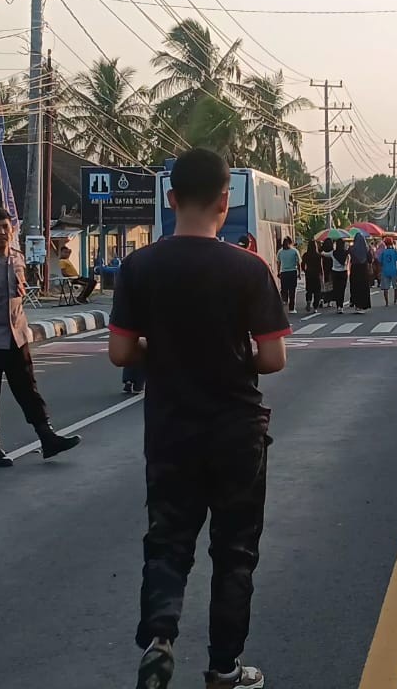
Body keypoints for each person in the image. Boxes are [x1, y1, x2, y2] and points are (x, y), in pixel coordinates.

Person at [108, 148, 289, 689]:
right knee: (235, 552)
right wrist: (231, 355)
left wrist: (160, 350)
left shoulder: (139, 267)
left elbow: (120, 353)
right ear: (224, 202)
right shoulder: (249, 269)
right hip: (237, 433)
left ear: (171, 198)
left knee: (168, 541)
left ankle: (160, 636)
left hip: (170, 430)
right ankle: (224, 669)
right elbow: (273, 358)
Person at [0, 208, 81, 468]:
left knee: (28, 390)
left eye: (5, 226)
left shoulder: (18, 259)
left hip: (17, 338)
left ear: (12, 230)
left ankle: (47, 437)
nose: (2, 232)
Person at [348, 233, 373, 314]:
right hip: (363, 269)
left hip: (355, 269)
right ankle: (363, 305)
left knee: (355, 287)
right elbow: (370, 260)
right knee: (363, 287)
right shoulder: (366, 249)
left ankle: (356, 304)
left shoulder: (352, 248)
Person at [276, 237, 300, 312]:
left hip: (284, 273)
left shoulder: (280, 252)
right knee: (292, 290)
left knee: (284, 289)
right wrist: (299, 273)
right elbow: (298, 263)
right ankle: (291, 308)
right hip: (292, 272)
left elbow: (278, 263)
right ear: (290, 243)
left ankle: (284, 300)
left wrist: (278, 272)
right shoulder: (294, 251)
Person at [379, 237, 397, 306]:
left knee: (386, 288)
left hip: (385, 271)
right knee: (396, 287)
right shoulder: (395, 251)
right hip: (394, 271)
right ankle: (395, 301)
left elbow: (380, 262)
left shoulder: (383, 252)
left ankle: (386, 303)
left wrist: (380, 271)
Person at [301, 240, 323, 312]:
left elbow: (302, 264)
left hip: (309, 274)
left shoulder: (305, 255)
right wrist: (322, 274)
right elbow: (320, 266)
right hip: (316, 274)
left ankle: (308, 302)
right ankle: (315, 307)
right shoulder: (318, 255)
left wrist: (305, 270)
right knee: (317, 291)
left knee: (309, 290)